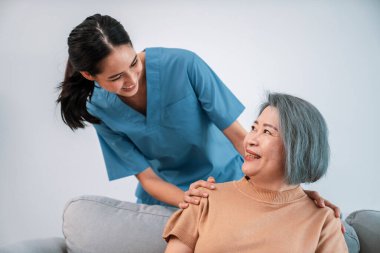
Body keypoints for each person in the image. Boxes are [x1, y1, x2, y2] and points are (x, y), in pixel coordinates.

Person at [56, 14, 339, 213]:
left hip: (229, 179)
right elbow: (147, 178)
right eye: (116, 77)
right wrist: (190, 201)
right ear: (89, 75)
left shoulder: (183, 64)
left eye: (133, 63)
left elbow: (240, 136)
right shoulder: (97, 108)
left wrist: (291, 192)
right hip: (168, 195)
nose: (131, 79)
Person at [163, 92, 348, 252]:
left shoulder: (323, 221)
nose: (250, 139)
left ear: (298, 148)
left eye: (267, 132)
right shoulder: (204, 199)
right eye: (254, 128)